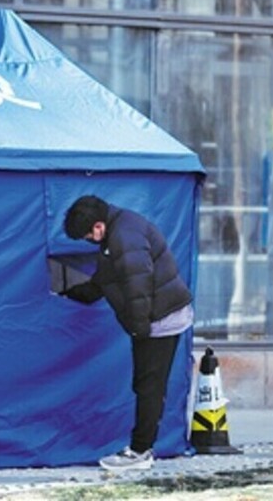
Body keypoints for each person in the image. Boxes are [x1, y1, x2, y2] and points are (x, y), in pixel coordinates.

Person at [61, 195, 193, 472]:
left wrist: (139, 328)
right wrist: (71, 292)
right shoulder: (118, 229)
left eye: (87, 236)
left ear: (98, 227)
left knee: (149, 386)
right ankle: (142, 448)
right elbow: (105, 280)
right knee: (146, 384)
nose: (89, 241)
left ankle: (140, 451)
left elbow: (138, 286)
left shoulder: (123, 236)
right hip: (154, 316)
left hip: (160, 319)